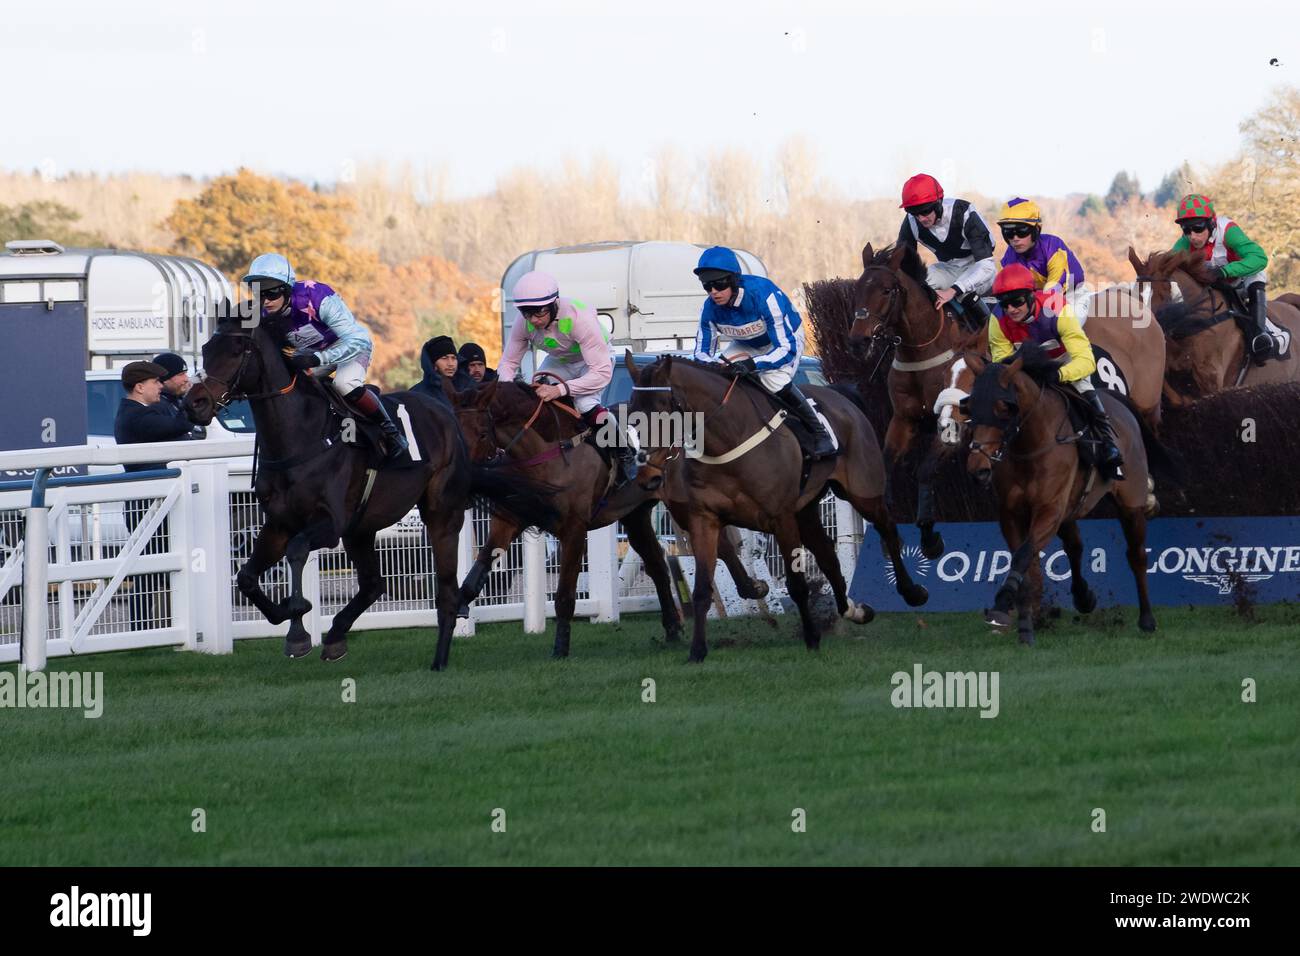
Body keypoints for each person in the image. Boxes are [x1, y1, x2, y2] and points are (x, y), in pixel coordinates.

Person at [241, 253, 407, 458]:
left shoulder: (317, 295)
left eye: (272, 293)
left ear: (286, 289)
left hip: (350, 346)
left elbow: (357, 339)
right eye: (259, 293)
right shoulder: (262, 315)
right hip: (314, 355)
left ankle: (391, 431)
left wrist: (318, 359)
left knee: (344, 384)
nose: (265, 301)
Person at [692, 245, 836, 459]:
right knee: (713, 378)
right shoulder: (709, 308)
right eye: (707, 285)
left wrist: (753, 365)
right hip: (746, 344)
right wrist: (713, 368)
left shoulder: (764, 295)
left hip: (784, 341)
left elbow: (786, 349)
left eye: (719, 284)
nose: (713, 291)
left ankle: (820, 431)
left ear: (733, 280)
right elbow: (700, 354)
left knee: (772, 380)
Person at [496, 270, 639, 483]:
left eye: (539, 313)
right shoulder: (523, 321)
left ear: (554, 303)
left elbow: (600, 373)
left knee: (585, 403)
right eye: (528, 313)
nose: (534, 320)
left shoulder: (578, 318)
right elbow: (508, 363)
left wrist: (559, 390)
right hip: (561, 361)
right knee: (535, 398)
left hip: (594, 363)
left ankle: (623, 452)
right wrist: (504, 393)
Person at [987, 265, 1123, 477]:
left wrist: (1059, 375)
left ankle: (1108, 444)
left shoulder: (1057, 308)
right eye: (1005, 304)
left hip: (1063, 360)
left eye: (1017, 302)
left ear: (1031, 296)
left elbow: (1086, 361)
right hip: (1027, 366)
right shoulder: (997, 320)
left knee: (1082, 384)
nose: (1011, 309)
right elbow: (1001, 364)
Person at [113, 361, 203, 630]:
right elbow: (178, 426)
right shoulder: (138, 416)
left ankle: (154, 629)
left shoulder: (137, 412)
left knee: (154, 569)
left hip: (151, 502)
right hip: (147, 504)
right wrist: (192, 401)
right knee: (148, 572)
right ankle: (142, 630)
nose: (160, 386)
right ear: (140, 387)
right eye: (155, 383)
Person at [1171, 193, 1289, 365]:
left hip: (1242, 280)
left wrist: (1225, 271)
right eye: (1186, 230)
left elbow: (1259, 258)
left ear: (1211, 222)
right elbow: (1167, 265)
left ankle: (1260, 335)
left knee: (1255, 279)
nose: (1192, 236)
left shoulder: (1228, 230)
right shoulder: (1184, 242)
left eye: (1198, 228)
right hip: (1216, 286)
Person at [897, 172, 996, 326]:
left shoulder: (964, 212)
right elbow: (903, 264)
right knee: (914, 288)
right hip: (949, 269)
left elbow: (986, 266)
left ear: (938, 203)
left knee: (964, 293)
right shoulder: (911, 222)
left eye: (925, 211)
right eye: (915, 214)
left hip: (979, 269)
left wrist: (952, 291)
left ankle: (990, 334)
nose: (921, 218)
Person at [995, 197, 1090, 323]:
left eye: (1021, 231)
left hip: (1072, 297)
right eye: (1009, 233)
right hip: (1034, 304)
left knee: (1065, 328)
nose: (1015, 238)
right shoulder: (1008, 258)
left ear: (1036, 230)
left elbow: (1053, 292)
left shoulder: (1053, 247)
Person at [151, 351, 206, 438]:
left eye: (186, 373)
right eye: (181, 374)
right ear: (164, 379)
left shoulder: (176, 400)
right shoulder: (157, 406)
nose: (186, 379)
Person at [411, 335, 476, 400]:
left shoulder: (468, 389)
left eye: (454, 358)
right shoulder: (417, 395)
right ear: (433, 363)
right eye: (444, 358)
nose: (450, 364)